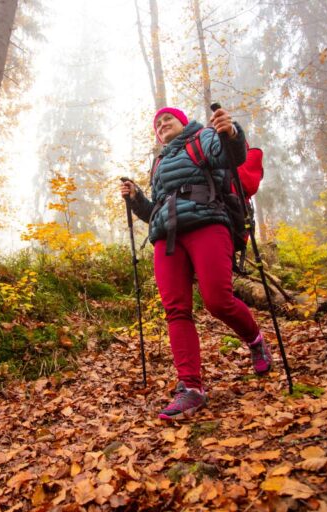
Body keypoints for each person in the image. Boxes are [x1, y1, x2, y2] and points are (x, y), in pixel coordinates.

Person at [120, 106, 272, 421]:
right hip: (166, 237)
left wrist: (231, 132)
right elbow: (155, 210)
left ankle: (255, 341)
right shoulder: (159, 163)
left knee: (217, 301)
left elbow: (233, 157)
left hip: (207, 222)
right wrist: (136, 198)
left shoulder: (203, 137)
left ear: (183, 122)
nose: (162, 125)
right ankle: (191, 387)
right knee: (176, 310)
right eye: (158, 124)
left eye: (168, 119)